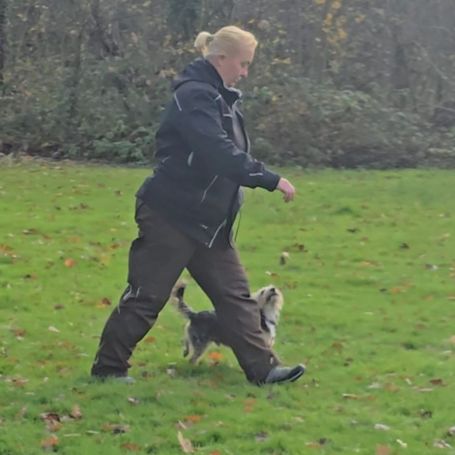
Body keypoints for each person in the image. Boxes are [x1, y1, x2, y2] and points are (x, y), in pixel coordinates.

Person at [91, 25, 305, 385]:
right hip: (171, 214)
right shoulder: (194, 96)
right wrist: (269, 178)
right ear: (221, 58)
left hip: (208, 221)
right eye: (243, 63)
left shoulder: (220, 98)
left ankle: (265, 370)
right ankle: (108, 368)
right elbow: (217, 152)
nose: (245, 72)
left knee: (235, 297)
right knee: (147, 296)